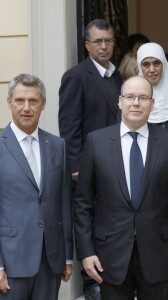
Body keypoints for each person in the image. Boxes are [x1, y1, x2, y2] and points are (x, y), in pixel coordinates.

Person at [74, 76, 168, 300]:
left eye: (143, 98)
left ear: (152, 103)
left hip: (158, 253)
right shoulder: (96, 142)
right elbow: (83, 202)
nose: (136, 103)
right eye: (130, 97)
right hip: (109, 254)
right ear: (120, 101)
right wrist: (86, 252)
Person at [59, 19, 122, 299]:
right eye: (98, 41)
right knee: (90, 220)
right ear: (87, 45)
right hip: (88, 168)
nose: (104, 46)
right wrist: (75, 167)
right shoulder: (76, 76)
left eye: (108, 40)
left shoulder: (117, 76)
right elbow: (69, 126)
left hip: (116, 165)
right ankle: (93, 280)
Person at [0, 74, 73, 299]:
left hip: (50, 262)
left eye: (33, 101)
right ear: (9, 102)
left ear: (43, 105)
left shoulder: (57, 145)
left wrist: (67, 257)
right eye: (20, 100)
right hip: (11, 262)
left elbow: (64, 203)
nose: (26, 108)